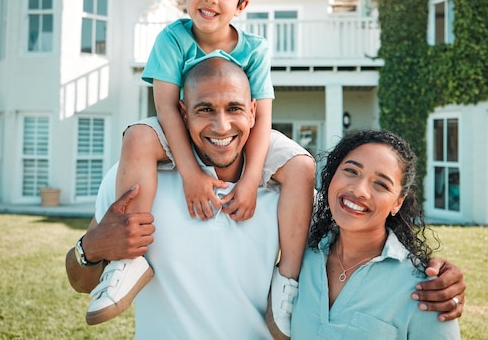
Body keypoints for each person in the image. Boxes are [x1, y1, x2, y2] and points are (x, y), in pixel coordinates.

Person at [66, 58, 465, 339]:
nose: (222, 125)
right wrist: (91, 248)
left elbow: (360, 236)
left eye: (235, 108)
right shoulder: (138, 182)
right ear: (182, 113)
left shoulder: (292, 200)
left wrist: (437, 273)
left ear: (254, 112)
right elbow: (81, 280)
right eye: (205, 109)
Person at [84, 0, 316, 339]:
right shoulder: (172, 40)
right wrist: (190, 173)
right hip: (177, 125)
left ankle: (287, 282)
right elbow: (167, 109)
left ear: (242, 4)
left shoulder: (255, 49)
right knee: (138, 136)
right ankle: (130, 259)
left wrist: (249, 182)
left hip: (250, 136)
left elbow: (261, 120)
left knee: (302, 166)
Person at [291, 129, 462, 338]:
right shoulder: (302, 253)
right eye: (351, 171)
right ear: (333, 174)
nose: (360, 190)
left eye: (381, 184)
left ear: (397, 203)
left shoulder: (426, 289)